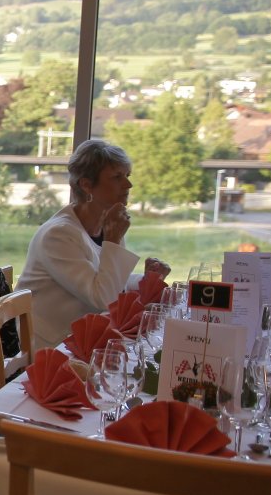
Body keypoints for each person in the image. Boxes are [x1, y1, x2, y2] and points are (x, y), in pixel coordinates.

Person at [17, 139, 171, 347]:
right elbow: (104, 298)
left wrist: (147, 279)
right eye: (117, 177)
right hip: (48, 347)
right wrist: (113, 241)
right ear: (86, 185)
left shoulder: (107, 225)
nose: (128, 185)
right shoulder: (58, 235)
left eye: (127, 176)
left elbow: (109, 280)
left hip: (80, 339)